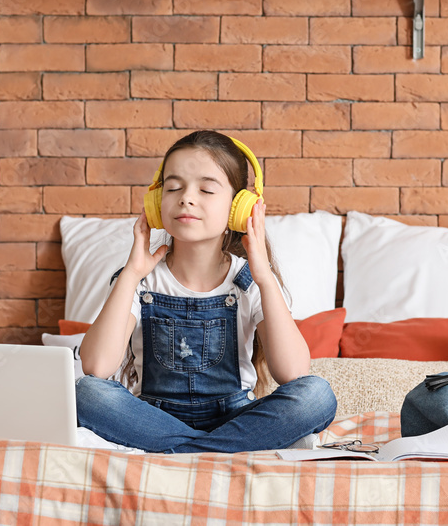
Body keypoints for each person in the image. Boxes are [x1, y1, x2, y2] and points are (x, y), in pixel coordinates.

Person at [75, 130, 337, 453]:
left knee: (317, 395)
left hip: (235, 419)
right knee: (85, 392)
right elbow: (96, 367)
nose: (186, 197)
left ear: (238, 208)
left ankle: (188, 452)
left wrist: (265, 278)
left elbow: (294, 373)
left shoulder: (250, 282)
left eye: (206, 189)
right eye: (173, 187)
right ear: (157, 203)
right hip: (154, 420)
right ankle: (214, 452)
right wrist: (130, 273)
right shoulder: (140, 280)